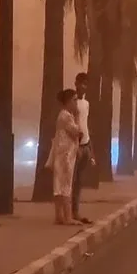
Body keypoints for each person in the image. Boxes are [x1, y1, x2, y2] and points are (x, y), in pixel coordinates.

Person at [45, 89, 83, 225]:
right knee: (66, 184)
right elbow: (77, 132)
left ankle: (59, 216)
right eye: (74, 100)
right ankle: (67, 217)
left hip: (62, 154)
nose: (76, 103)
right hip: (65, 156)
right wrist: (78, 116)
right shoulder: (67, 116)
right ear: (67, 102)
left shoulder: (63, 115)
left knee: (59, 185)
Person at [72, 73, 96, 224]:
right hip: (76, 146)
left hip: (86, 144)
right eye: (82, 84)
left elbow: (85, 125)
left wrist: (91, 149)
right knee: (72, 180)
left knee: (79, 181)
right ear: (76, 84)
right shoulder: (72, 103)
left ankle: (76, 211)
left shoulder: (86, 104)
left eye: (86, 84)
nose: (84, 87)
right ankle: (70, 212)